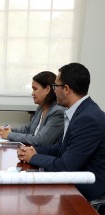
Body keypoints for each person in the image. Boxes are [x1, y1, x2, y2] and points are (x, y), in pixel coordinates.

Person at [17, 63, 105, 202]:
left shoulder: (88, 118)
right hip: (72, 179)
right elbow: (60, 148)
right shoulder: (78, 111)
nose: (54, 90)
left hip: (85, 189)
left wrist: (33, 157)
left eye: (55, 86)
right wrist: (33, 150)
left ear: (66, 89)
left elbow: (66, 166)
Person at [0, 71, 65, 146]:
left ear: (47, 89)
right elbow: (27, 129)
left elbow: (40, 140)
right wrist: (8, 130)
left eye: (35, 89)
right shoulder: (41, 108)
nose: (32, 93)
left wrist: (9, 135)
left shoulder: (58, 112)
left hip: (45, 155)